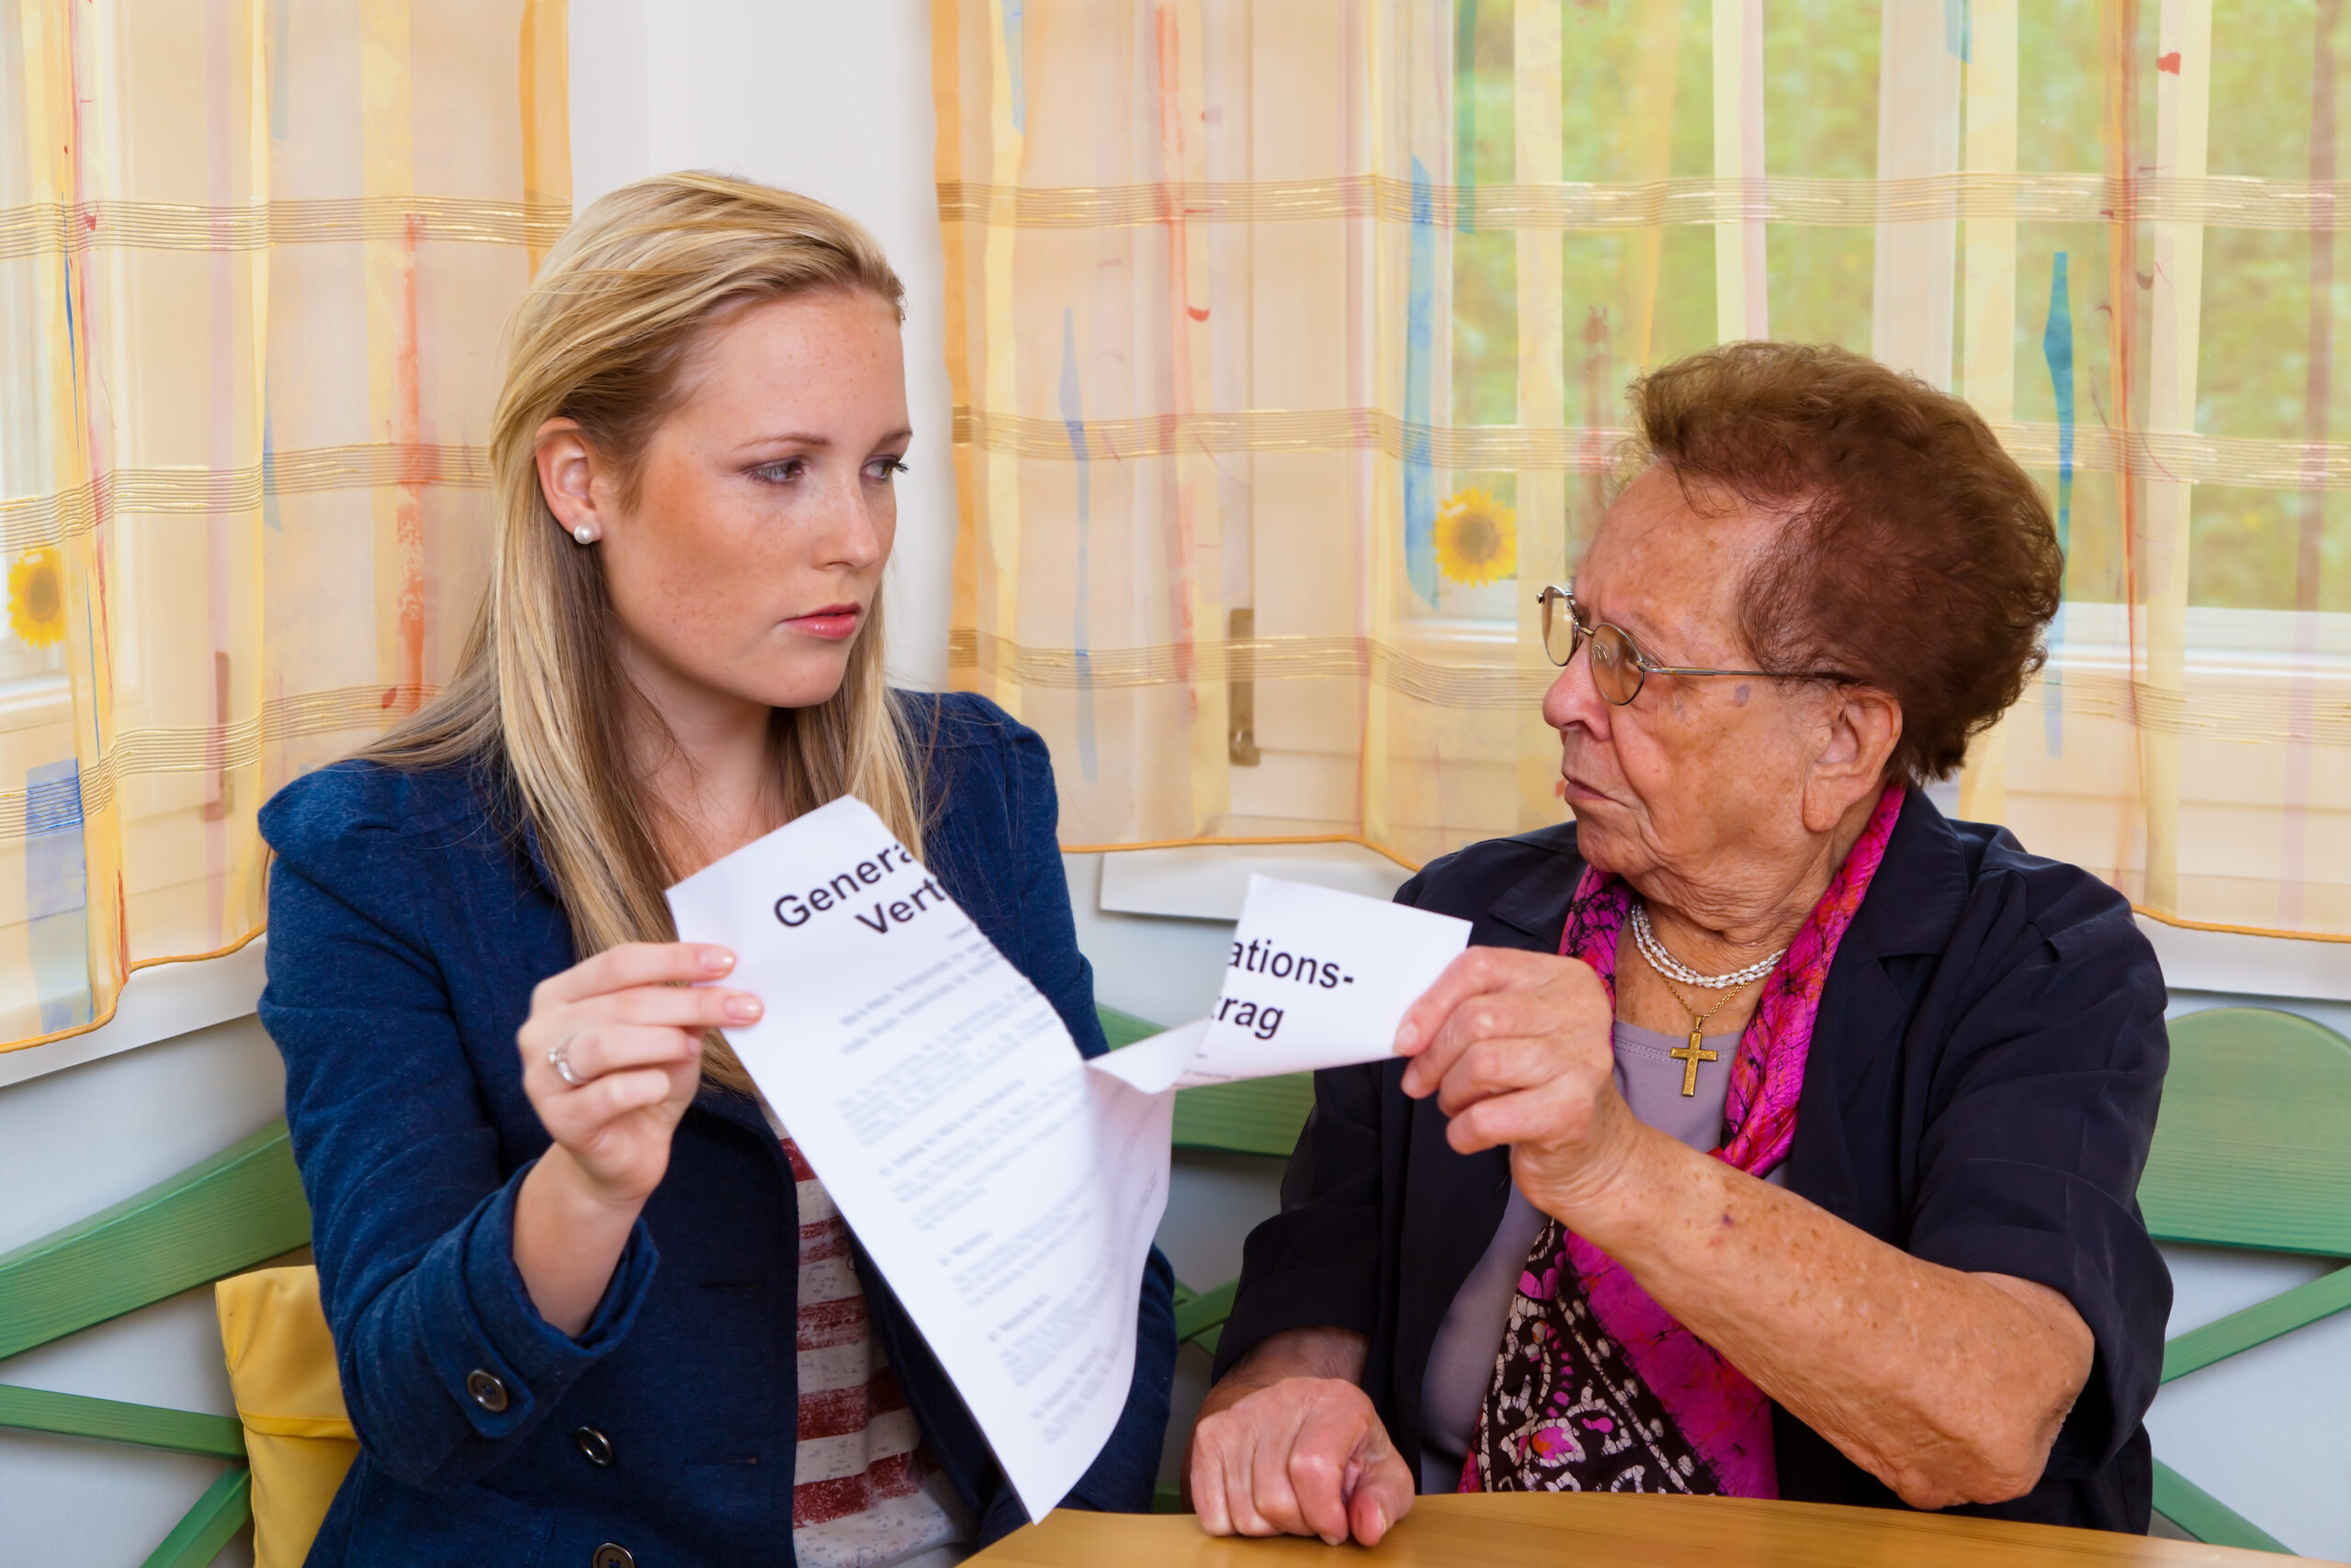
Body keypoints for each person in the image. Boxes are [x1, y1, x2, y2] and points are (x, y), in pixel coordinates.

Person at [257, 173, 1172, 1566]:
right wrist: (585, 1189)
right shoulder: (376, 859)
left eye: (882, 465)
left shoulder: (970, 786)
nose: (857, 538)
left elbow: (1097, 1265)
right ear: (582, 483)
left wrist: (1063, 1545)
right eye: (779, 469)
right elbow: (411, 1412)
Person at [1188, 342, 2170, 1545]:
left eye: (1634, 662)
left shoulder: (2038, 960)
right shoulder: (1464, 916)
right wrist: (1295, 1402)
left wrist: (1613, 1169)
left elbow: (1993, 1414)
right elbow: (1318, 1284)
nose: (1564, 699)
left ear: (1843, 742)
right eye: (1580, 627)